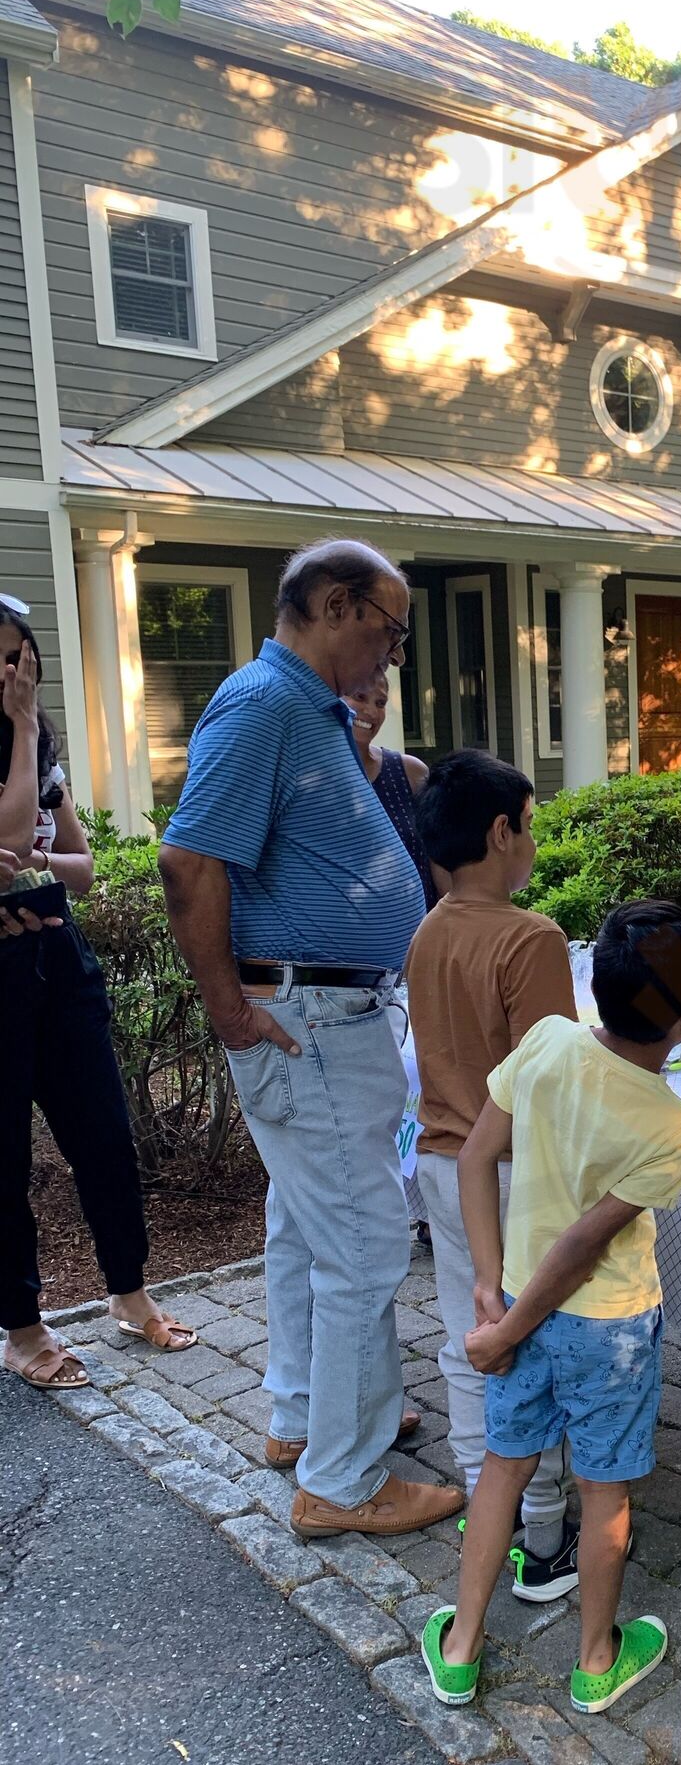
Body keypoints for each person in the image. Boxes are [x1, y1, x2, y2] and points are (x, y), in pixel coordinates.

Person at [159, 539, 462, 1542]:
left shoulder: (311, 712)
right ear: (336, 606)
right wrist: (233, 1014)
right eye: (391, 628)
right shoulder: (264, 706)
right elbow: (189, 862)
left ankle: (309, 1415)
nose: (393, 654)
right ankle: (343, 1481)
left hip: (327, 1017)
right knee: (369, 1246)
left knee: (307, 1225)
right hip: (308, 1023)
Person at [419, 901, 681, 1714]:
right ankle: (594, 1660)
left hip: (519, 1304)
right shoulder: (675, 1126)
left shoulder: (547, 1040)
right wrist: (504, 1321)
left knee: (502, 1474)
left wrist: (490, 1287)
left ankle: (459, 1648)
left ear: (597, 985)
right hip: (608, 1328)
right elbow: (584, 1246)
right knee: (604, 1491)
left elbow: (476, 1157)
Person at [1, 600, 197, 1390]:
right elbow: (17, 837)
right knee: (5, 1162)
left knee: (105, 1140)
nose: (10, 674)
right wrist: (17, 734)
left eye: (19, 657)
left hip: (58, 962)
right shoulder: (24, 741)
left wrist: (28, 870)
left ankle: (128, 1291)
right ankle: (22, 1329)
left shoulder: (42, 750)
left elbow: (77, 865)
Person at [406, 749, 581, 1598]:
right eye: (531, 824)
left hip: (440, 1169)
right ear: (502, 830)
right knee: (530, 1353)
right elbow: (553, 1084)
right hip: (515, 1180)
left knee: (468, 1345)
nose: (534, 840)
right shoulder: (531, 938)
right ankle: (545, 1537)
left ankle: (491, 1514)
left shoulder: (429, 928)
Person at [344, 668, 439, 911]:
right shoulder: (313, 780)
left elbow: (440, 857)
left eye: (381, 702)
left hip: (421, 932)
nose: (371, 711)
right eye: (359, 697)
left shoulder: (410, 773)